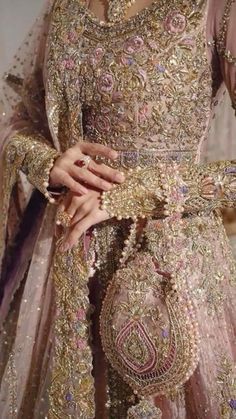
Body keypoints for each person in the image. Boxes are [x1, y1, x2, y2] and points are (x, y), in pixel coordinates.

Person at [0, 0, 236, 417]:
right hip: (63, 266)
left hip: (171, 269)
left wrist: (137, 191)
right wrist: (46, 161)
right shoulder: (66, 8)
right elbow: (16, 116)